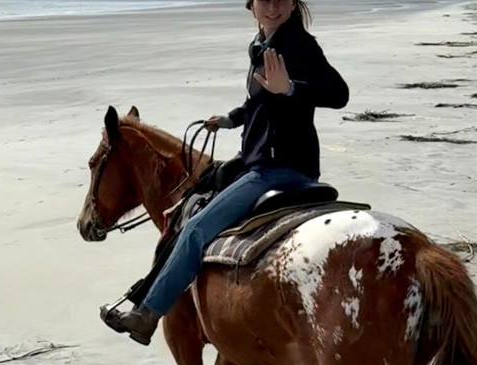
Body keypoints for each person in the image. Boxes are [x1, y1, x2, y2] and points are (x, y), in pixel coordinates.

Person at [107, 0, 348, 345]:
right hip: (258, 157)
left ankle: (147, 314)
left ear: (294, 3)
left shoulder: (299, 44)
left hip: (278, 167)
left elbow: (339, 93)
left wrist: (292, 89)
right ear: (251, 6)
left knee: (194, 228)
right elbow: (259, 102)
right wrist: (231, 119)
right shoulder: (262, 44)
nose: (274, 6)